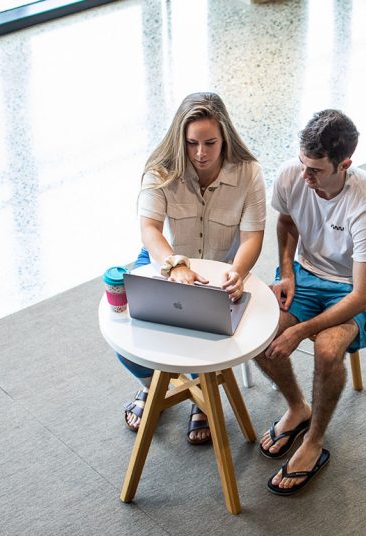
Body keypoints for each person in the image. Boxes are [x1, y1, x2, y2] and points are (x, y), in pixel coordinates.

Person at [118, 92, 266, 445]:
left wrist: (238, 271)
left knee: (211, 329)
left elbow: (252, 237)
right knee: (126, 332)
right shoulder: (160, 170)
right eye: (192, 143)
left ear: (224, 137)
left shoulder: (249, 173)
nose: (200, 153)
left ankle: (194, 388)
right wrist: (175, 265)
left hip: (220, 267)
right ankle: (158, 385)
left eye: (210, 143)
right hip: (164, 259)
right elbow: (150, 230)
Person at [255, 109, 366, 495]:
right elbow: (287, 222)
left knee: (329, 349)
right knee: (257, 328)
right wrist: (286, 272)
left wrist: (301, 330)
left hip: (354, 288)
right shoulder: (292, 175)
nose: (304, 176)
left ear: (344, 164)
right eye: (301, 163)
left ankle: (313, 440)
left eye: (314, 169)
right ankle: (297, 407)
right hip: (307, 274)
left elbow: (363, 294)